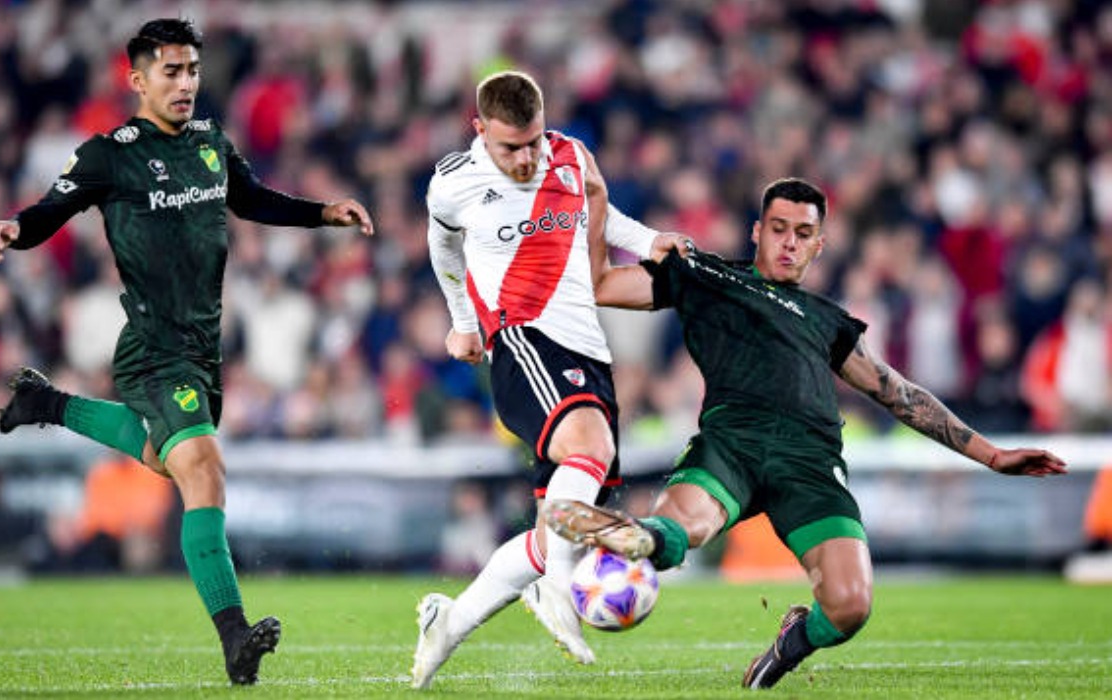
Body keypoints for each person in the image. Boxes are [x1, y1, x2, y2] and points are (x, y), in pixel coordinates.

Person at [545, 178, 1067, 690]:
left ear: (820, 244)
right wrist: (594, 204)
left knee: (850, 606)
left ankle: (792, 640)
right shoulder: (704, 275)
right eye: (777, 229)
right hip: (734, 441)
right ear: (756, 231)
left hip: (811, 462)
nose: (788, 242)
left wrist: (993, 455)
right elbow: (600, 285)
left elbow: (898, 393)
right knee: (688, 528)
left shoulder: (828, 320)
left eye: (801, 232)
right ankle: (644, 539)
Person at [0, 18, 373, 685]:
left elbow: (250, 199)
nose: (186, 82)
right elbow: (54, 206)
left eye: (192, 69)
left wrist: (321, 214)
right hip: (153, 350)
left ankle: (45, 401)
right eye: (171, 71)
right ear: (136, 79)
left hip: (202, 347)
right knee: (203, 471)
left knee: (167, 458)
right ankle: (234, 637)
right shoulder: (112, 153)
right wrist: (17, 228)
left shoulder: (210, 142)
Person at [411, 70, 685, 689]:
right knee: (591, 449)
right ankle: (557, 589)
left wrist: (652, 241)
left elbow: (602, 217)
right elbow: (442, 250)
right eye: (511, 147)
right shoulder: (454, 184)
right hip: (522, 339)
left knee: (546, 533)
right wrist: (464, 323)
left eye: (533, 141)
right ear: (480, 130)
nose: (527, 156)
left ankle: (448, 623)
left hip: (587, 347)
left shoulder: (570, 154)